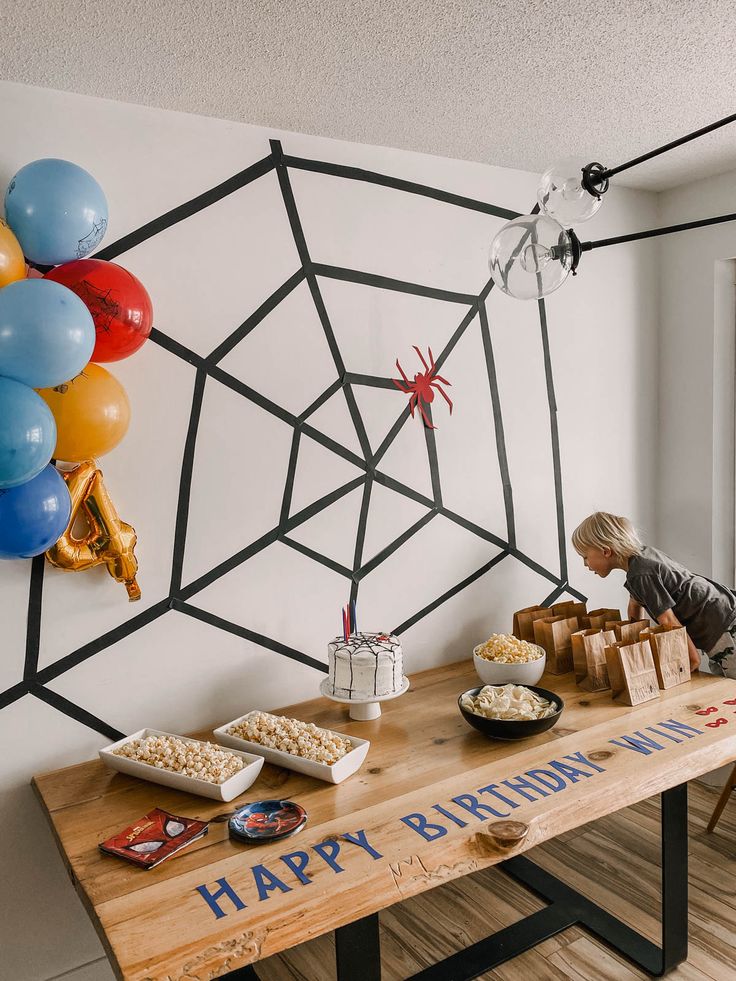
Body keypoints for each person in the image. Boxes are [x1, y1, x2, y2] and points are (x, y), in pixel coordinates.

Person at [571, 511, 736, 677]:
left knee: (729, 684)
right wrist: (634, 645)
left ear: (606, 551)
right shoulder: (641, 559)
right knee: (723, 680)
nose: (585, 564)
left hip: (723, 623)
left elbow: (668, 620)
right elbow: (634, 605)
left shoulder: (640, 574)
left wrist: (692, 660)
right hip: (720, 614)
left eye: (585, 557)